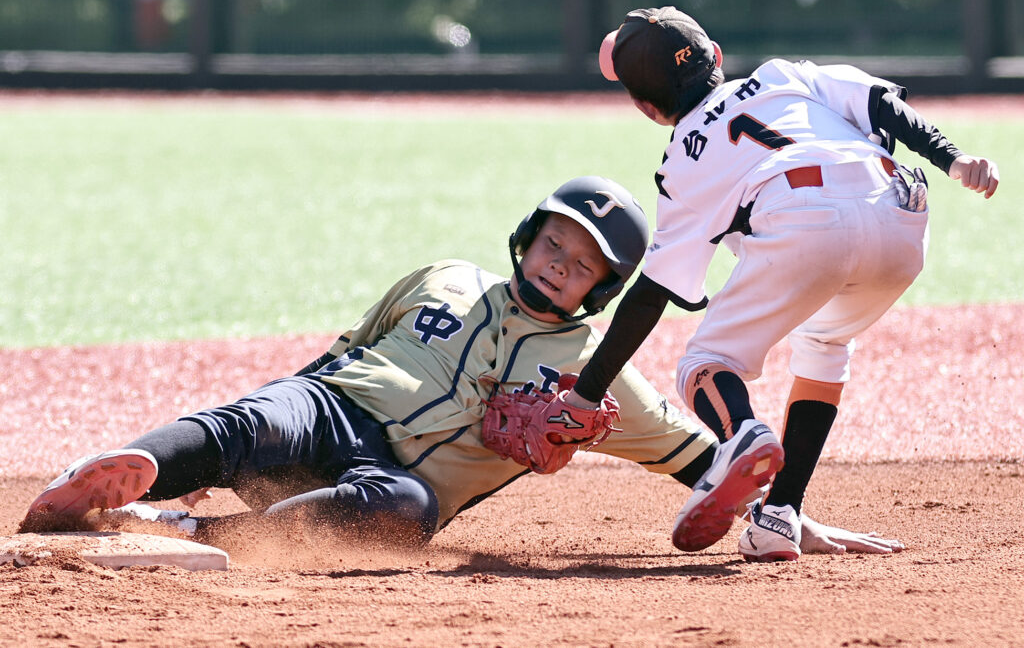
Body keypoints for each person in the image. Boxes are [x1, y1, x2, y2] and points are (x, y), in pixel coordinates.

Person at [23, 176, 901, 557]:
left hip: (387, 478)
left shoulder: (596, 374)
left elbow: (702, 465)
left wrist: (787, 512)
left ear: (603, 286)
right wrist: (283, 410)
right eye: (555, 240)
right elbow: (345, 348)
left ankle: (184, 536)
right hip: (331, 407)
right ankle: (120, 472)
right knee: (256, 418)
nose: (561, 259)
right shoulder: (445, 275)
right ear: (528, 237)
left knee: (403, 509)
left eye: (583, 259)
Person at [554, 6, 1000, 562]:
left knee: (705, 365)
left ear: (646, 107)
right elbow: (883, 104)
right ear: (715, 57)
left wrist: (586, 393)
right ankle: (780, 517)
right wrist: (955, 160)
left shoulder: (683, 159)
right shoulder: (781, 74)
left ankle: (741, 432)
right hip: (901, 216)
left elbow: (652, 292)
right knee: (824, 343)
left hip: (804, 213)